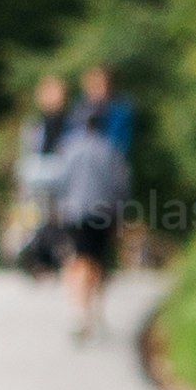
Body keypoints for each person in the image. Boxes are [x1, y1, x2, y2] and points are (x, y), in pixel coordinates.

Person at [46, 79, 132, 340]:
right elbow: (121, 186)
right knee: (97, 263)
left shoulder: (69, 149)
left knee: (79, 260)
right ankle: (94, 312)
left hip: (75, 213)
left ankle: (80, 312)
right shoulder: (111, 151)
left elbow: (58, 183)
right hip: (103, 213)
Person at [5, 69, 74, 267]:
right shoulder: (35, 124)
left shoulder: (71, 123)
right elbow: (28, 153)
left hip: (61, 182)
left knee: (59, 221)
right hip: (36, 182)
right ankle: (37, 256)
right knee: (32, 220)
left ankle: (59, 255)